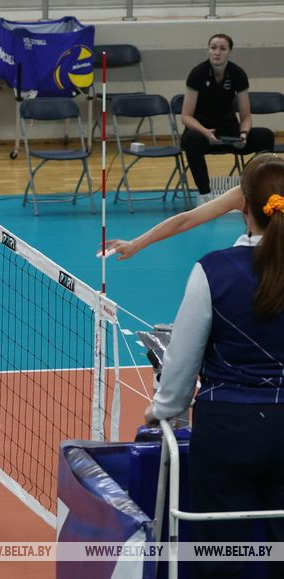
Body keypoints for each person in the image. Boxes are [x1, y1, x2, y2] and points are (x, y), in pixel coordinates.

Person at [144, 152, 284, 578]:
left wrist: (163, 408)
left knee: (220, 558)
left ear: (242, 205)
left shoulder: (213, 271)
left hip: (227, 431)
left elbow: (183, 360)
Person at [180, 33, 274, 202]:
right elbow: (186, 117)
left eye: (223, 49)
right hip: (203, 134)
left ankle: (250, 186)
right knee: (191, 139)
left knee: (265, 136)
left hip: (229, 133)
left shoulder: (237, 74)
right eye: (213, 48)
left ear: (230, 52)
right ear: (208, 51)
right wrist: (205, 132)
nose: (217, 52)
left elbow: (246, 116)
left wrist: (244, 133)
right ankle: (204, 194)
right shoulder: (197, 74)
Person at [104, 184, 246, 260]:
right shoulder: (241, 194)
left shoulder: (241, 193)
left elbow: (185, 221)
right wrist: (135, 244)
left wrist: (135, 244)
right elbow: (185, 220)